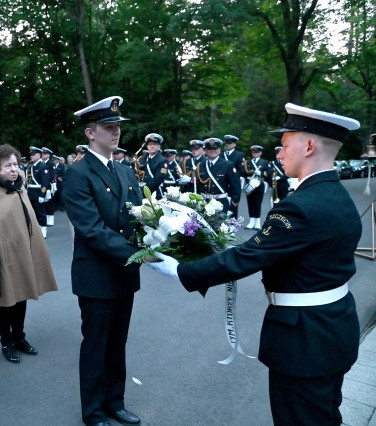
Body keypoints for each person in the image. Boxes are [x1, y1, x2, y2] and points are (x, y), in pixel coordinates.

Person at [148, 103, 362, 426]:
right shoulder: (339, 196)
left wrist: (181, 271)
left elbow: (246, 256)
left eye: (285, 145)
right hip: (334, 330)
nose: (279, 154)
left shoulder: (298, 208)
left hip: (305, 342)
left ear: (308, 146)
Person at [64, 96, 143, 426]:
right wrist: (138, 253)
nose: (116, 133)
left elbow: (140, 216)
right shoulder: (77, 174)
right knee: (96, 346)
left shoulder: (126, 170)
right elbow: (92, 230)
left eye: (118, 127)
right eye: (108, 127)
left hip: (124, 274)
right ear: (89, 132)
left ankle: (115, 402)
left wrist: (164, 237)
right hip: (96, 275)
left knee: (117, 343)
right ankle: (94, 411)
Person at [0, 144, 58, 363]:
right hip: (3, 258)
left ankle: (19, 337)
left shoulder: (19, 188)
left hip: (22, 254)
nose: (13, 169)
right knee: (5, 301)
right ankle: (7, 342)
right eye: (7, 166)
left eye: (15, 164)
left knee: (21, 297)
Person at [194, 138, 241, 214]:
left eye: (215, 148)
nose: (212, 151)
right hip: (204, 203)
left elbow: (236, 188)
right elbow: (198, 186)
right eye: (209, 149)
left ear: (219, 150)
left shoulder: (228, 165)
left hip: (221, 204)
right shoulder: (200, 165)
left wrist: (232, 207)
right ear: (205, 151)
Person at [242, 145, 271, 229]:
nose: (255, 154)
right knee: (250, 203)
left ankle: (257, 222)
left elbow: (269, 172)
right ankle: (251, 221)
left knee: (257, 203)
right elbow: (244, 173)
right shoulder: (248, 162)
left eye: (257, 152)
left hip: (259, 184)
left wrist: (261, 174)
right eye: (253, 152)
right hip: (250, 184)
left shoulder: (264, 162)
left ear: (260, 153)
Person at [26, 146, 50, 238]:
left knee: (40, 212)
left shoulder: (43, 166)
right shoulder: (31, 167)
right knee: (33, 213)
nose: (31, 156)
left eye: (33, 154)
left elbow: (45, 182)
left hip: (38, 193)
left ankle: (43, 228)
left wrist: (42, 194)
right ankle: (36, 229)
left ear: (38, 155)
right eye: (30, 154)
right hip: (31, 193)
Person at [139, 133, 170, 198]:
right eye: (150, 144)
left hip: (156, 193)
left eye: (155, 144)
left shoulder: (163, 160)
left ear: (159, 146)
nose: (152, 146)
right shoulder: (142, 159)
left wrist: (144, 190)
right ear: (147, 146)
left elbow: (158, 179)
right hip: (141, 191)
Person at [220, 134, 245, 216]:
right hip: (222, 183)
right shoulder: (221, 155)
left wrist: (232, 177)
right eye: (226, 143)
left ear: (234, 144)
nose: (227, 144)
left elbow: (241, 170)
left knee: (233, 205)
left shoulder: (239, 155)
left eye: (229, 143)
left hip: (233, 183)